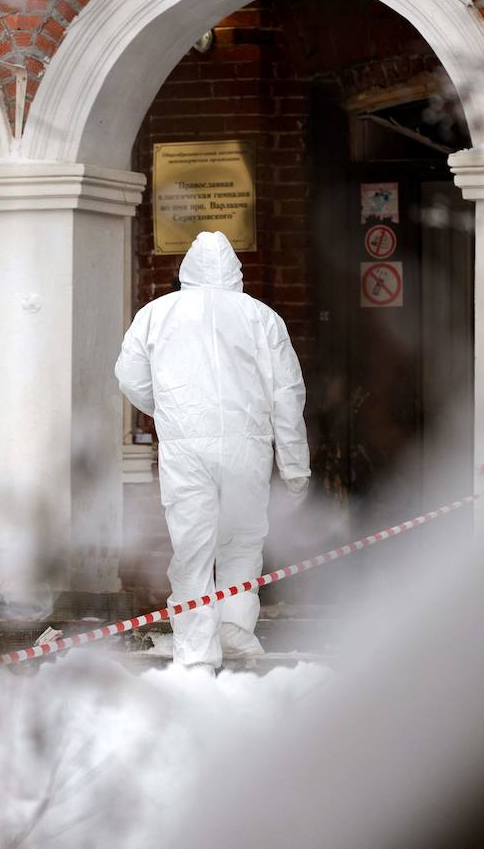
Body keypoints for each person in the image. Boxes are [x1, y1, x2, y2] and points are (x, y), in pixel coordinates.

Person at [115, 231, 310, 669]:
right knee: (241, 541)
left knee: (192, 546)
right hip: (248, 445)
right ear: (235, 270)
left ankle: (197, 649)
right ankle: (236, 631)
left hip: (185, 446)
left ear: (187, 268)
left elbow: (129, 376)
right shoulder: (261, 318)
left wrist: (166, 409)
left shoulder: (156, 315)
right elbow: (287, 393)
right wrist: (295, 465)